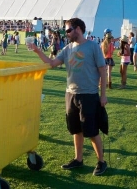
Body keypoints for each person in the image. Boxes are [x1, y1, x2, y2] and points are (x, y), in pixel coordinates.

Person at [29, 18, 108, 176]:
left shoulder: (93, 47)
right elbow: (51, 63)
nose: (67, 33)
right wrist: (37, 50)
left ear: (78, 29)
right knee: (75, 130)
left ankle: (101, 161)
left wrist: (103, 95)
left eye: (68, 30)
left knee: (92, 131)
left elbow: (102, 70)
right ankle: (78, 159)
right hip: (70, 94)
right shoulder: (67, 48)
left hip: (89, 95)